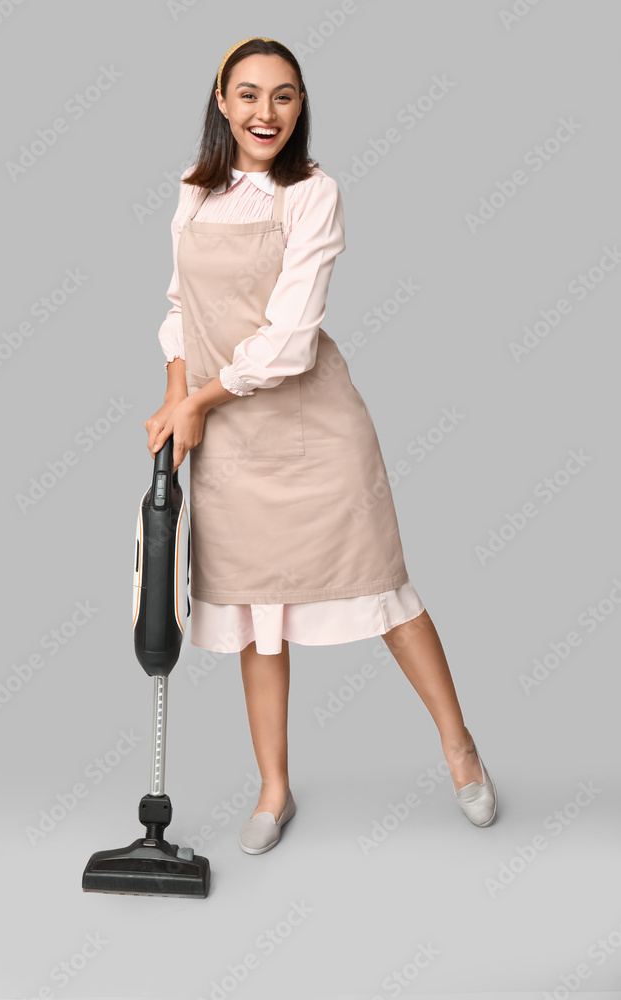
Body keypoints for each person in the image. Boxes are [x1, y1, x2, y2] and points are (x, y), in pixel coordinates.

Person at [144, 37, 497, 854]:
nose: (264, 112)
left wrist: (197, 397)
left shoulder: (312, 194)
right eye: (248, 94)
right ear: (221, 102)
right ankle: (274, 789)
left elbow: (291, 339)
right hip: (227, 443)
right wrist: (175, 397)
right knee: (254, 613)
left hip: (313, 432)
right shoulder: (192, 195)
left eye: (284, 96)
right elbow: (176, 306)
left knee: (382, 591)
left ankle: (460, 749)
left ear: (301, 107)